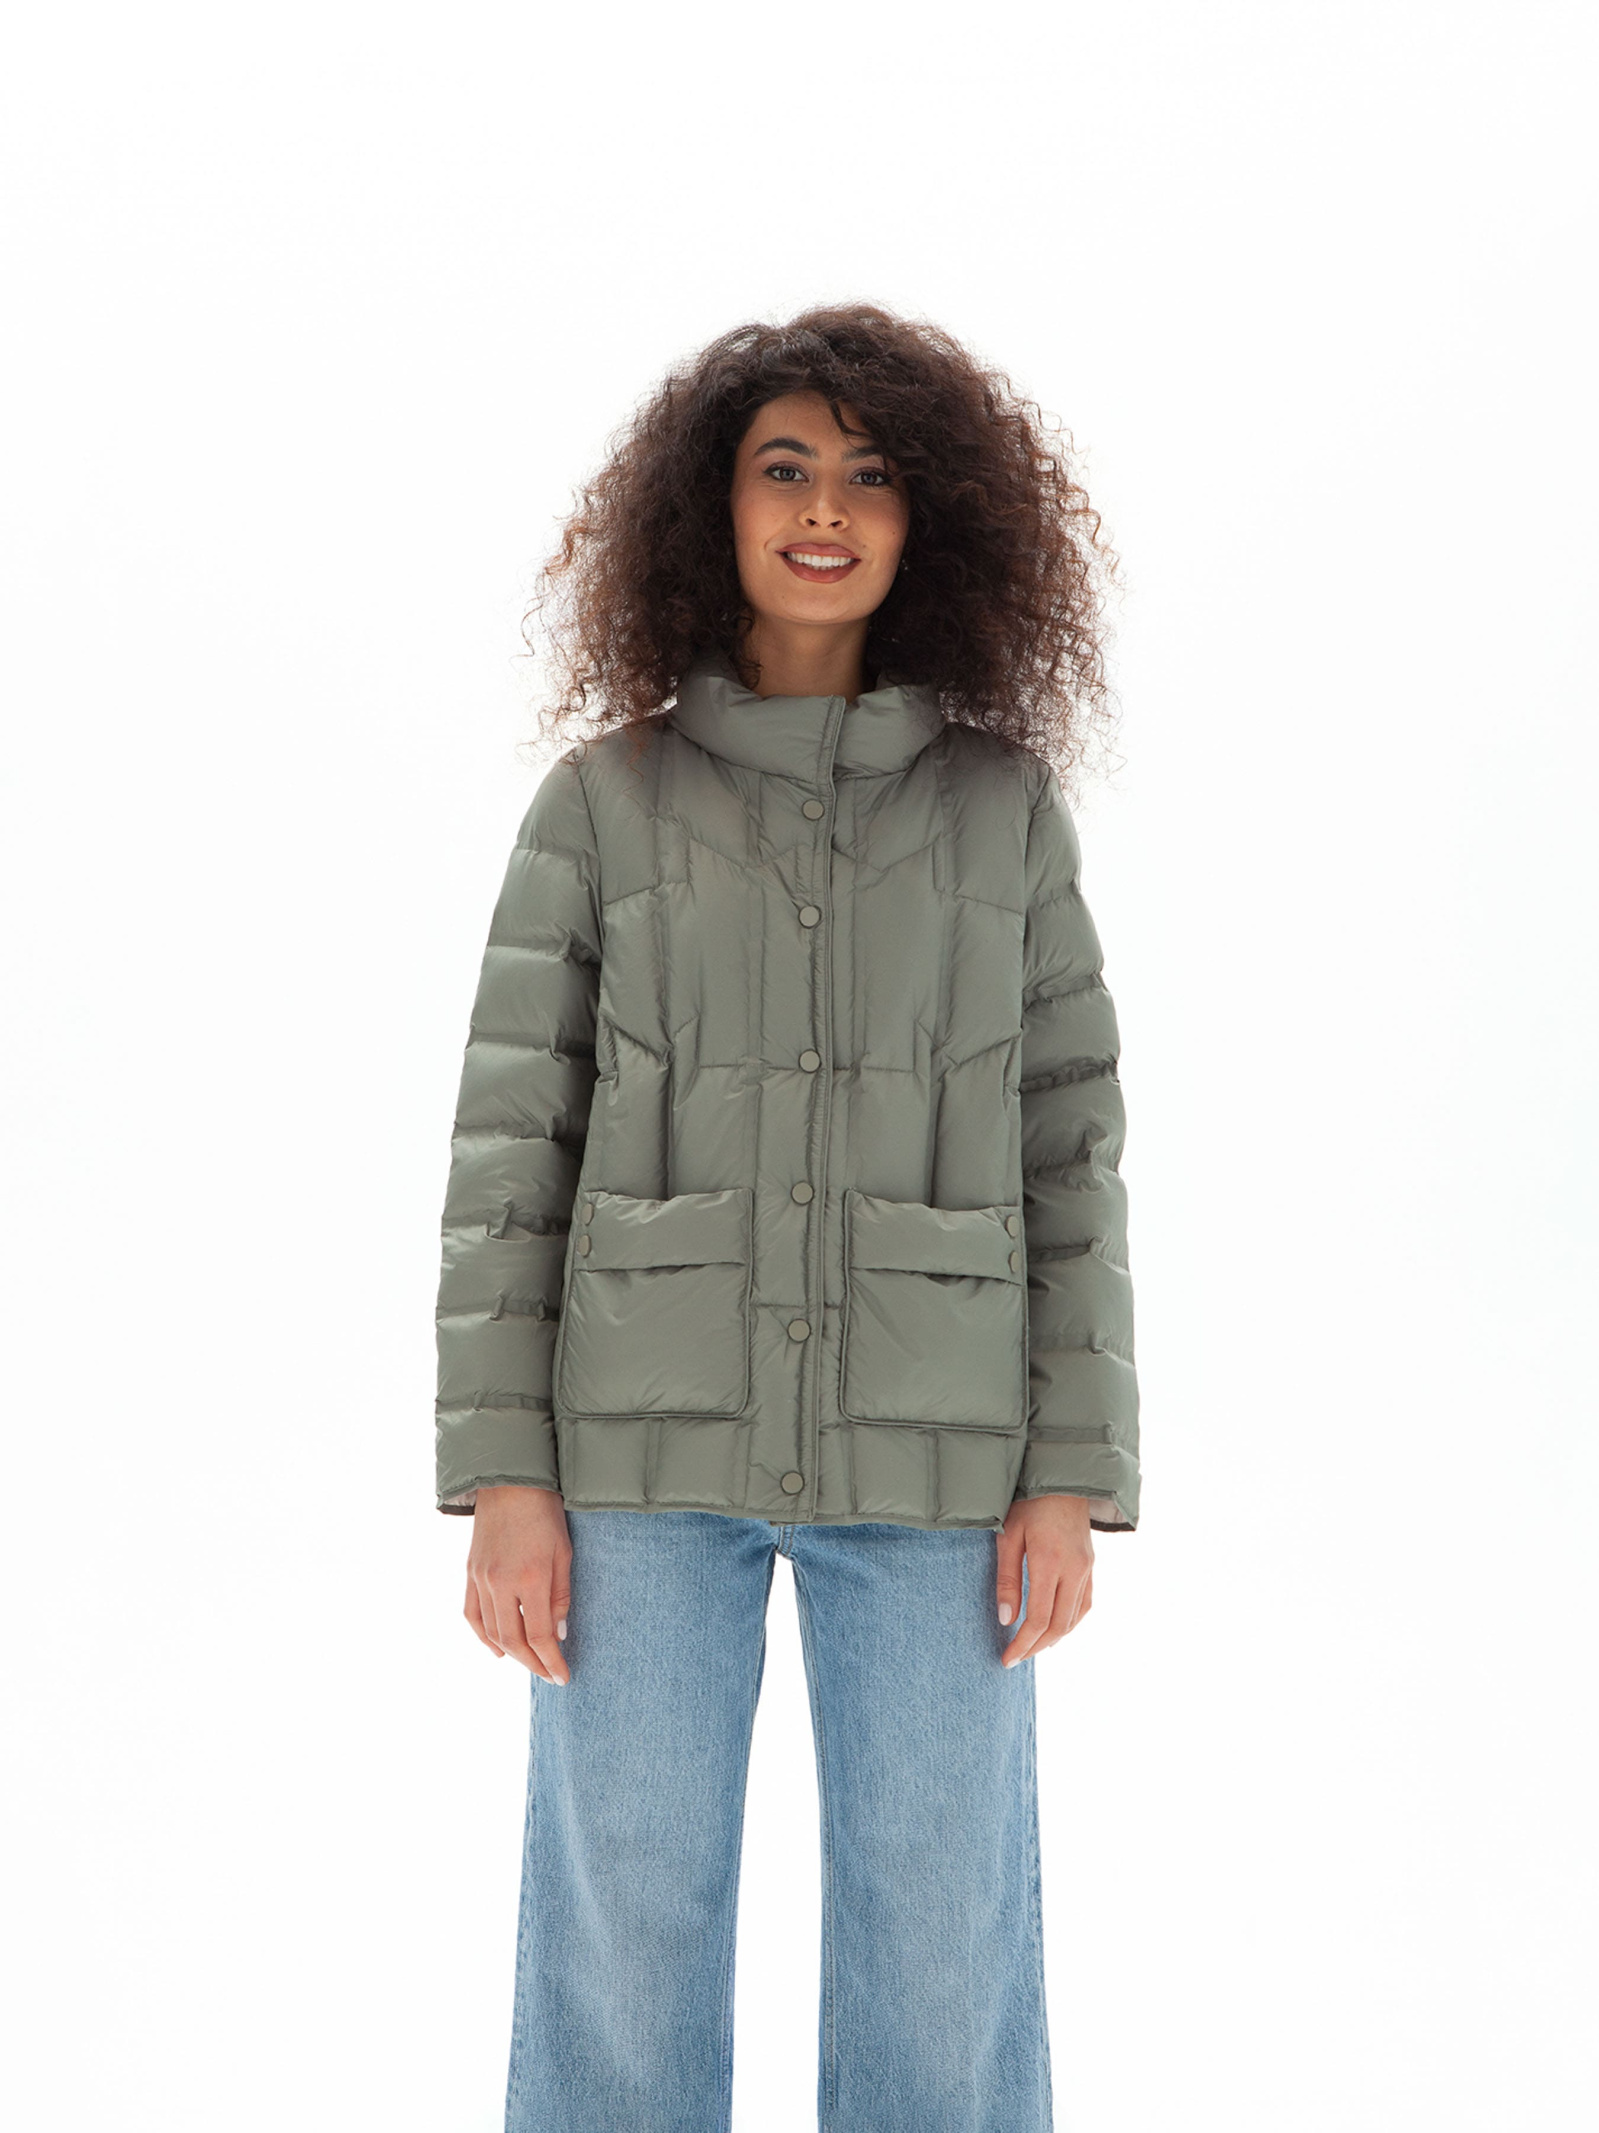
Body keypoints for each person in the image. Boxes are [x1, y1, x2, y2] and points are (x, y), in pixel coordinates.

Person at [433, 301, 1140, 2133]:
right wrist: (505, 1473)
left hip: (942, 1464)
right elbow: (512, 1155)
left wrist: (1071, 1469)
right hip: (634, 1463)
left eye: (871, 474)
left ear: (930, 523)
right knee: (622, 1934)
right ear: (715, 508)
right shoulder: (601, 807)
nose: (826, 507)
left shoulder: (1004, 813)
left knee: (943, 1944)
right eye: (784, 467)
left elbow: (1071, 1149)